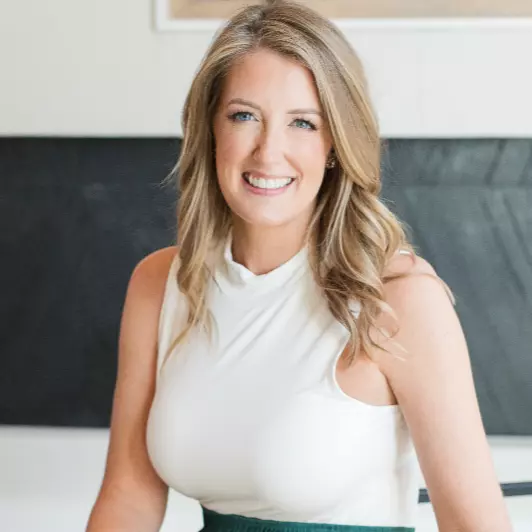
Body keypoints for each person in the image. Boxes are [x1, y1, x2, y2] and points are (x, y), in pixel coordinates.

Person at [87, 1, 513, 531]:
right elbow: (128, 496)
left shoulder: (399, 299)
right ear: (211, 128)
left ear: (335, 143)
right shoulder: (159, 284)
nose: (269, 152)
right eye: (244, 116)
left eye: (302, 123)